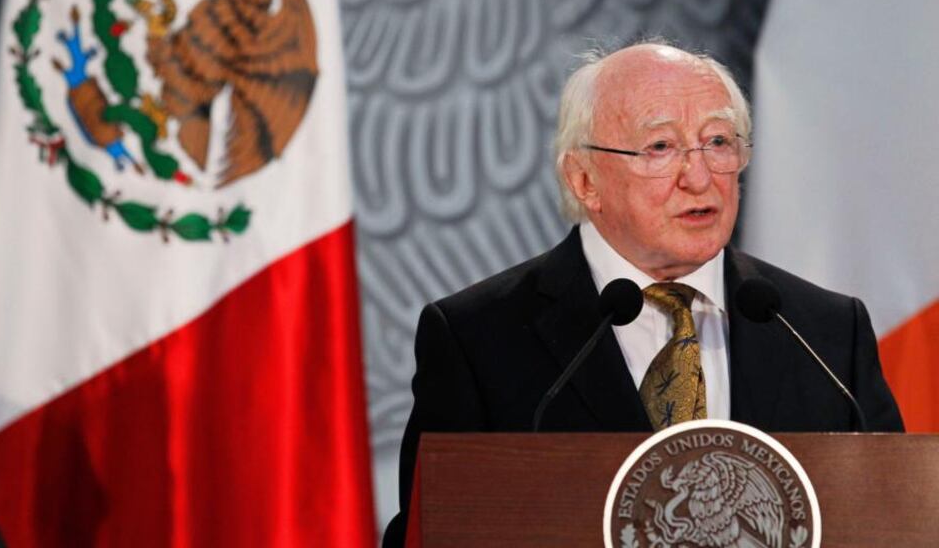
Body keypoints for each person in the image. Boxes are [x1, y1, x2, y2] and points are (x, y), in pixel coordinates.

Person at [381, 43, 903, 546]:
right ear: (584, 179)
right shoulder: (478, 340)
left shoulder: (824, 332)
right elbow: (430, 533)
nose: (699, 177)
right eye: (660, 147)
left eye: (718, 142)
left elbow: (893, 520)